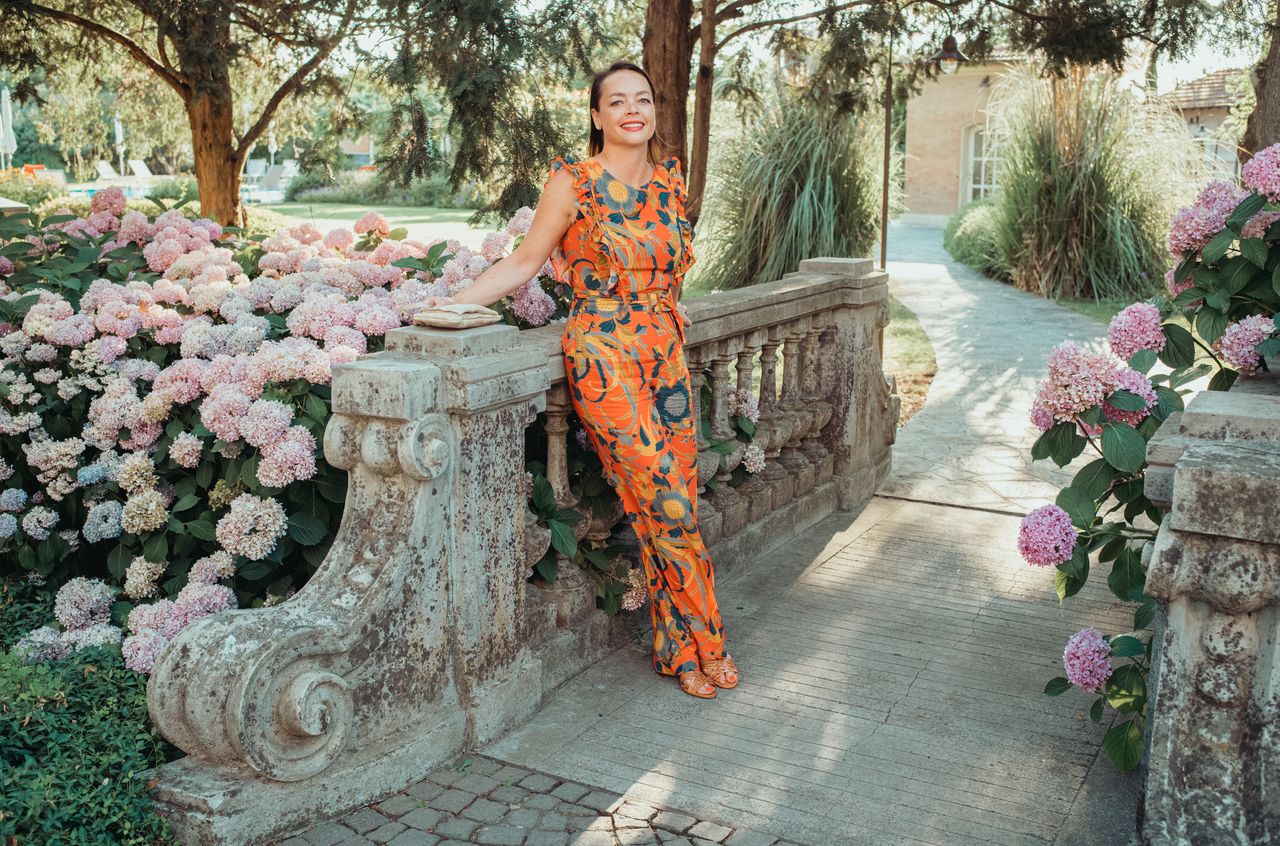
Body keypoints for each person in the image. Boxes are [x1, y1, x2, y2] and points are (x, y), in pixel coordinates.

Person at [415, 61, 737, 700]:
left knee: (668, 505)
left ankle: (680, 648)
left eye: (642, 99)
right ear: (597, 116)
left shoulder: (670, 182)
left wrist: (665, 301)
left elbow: (669, 269)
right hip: (604, 353)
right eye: (616, 102)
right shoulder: (575, 181)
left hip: (665, 355)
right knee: (667, 499)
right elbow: (528, 260)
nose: (631, 110)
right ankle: (710, 642)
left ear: (654, 111)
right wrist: (452, 303)